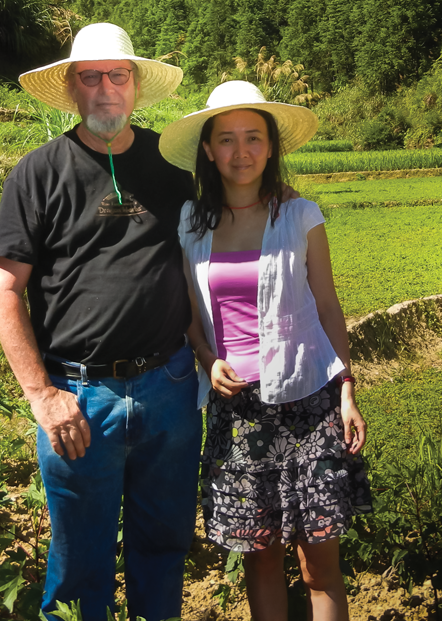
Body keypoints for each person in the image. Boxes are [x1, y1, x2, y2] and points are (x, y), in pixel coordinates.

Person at [0, 22, 202, 621]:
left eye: (118, 75)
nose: (106, 88)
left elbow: (207, 256)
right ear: (73, 89)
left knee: (165, 548)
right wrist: (41, 395)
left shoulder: (171, 167)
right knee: (81, 563)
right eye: (91, 77)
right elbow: (3, 289)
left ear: (135, 87)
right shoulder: (38, 172)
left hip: (170, 390)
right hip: (79, 398)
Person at [159, 80, 372, 621]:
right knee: (260, 560)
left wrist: (347, 389)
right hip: (237, 414)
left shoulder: (301, 217)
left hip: (309, 404)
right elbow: (188, 313)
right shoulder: (191, 222)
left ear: (272, 146)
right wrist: (208, 360)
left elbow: (327, 305)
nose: (240, 151)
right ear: (208, 150)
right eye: (226, 140)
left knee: (318, 564)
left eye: (253, 137)